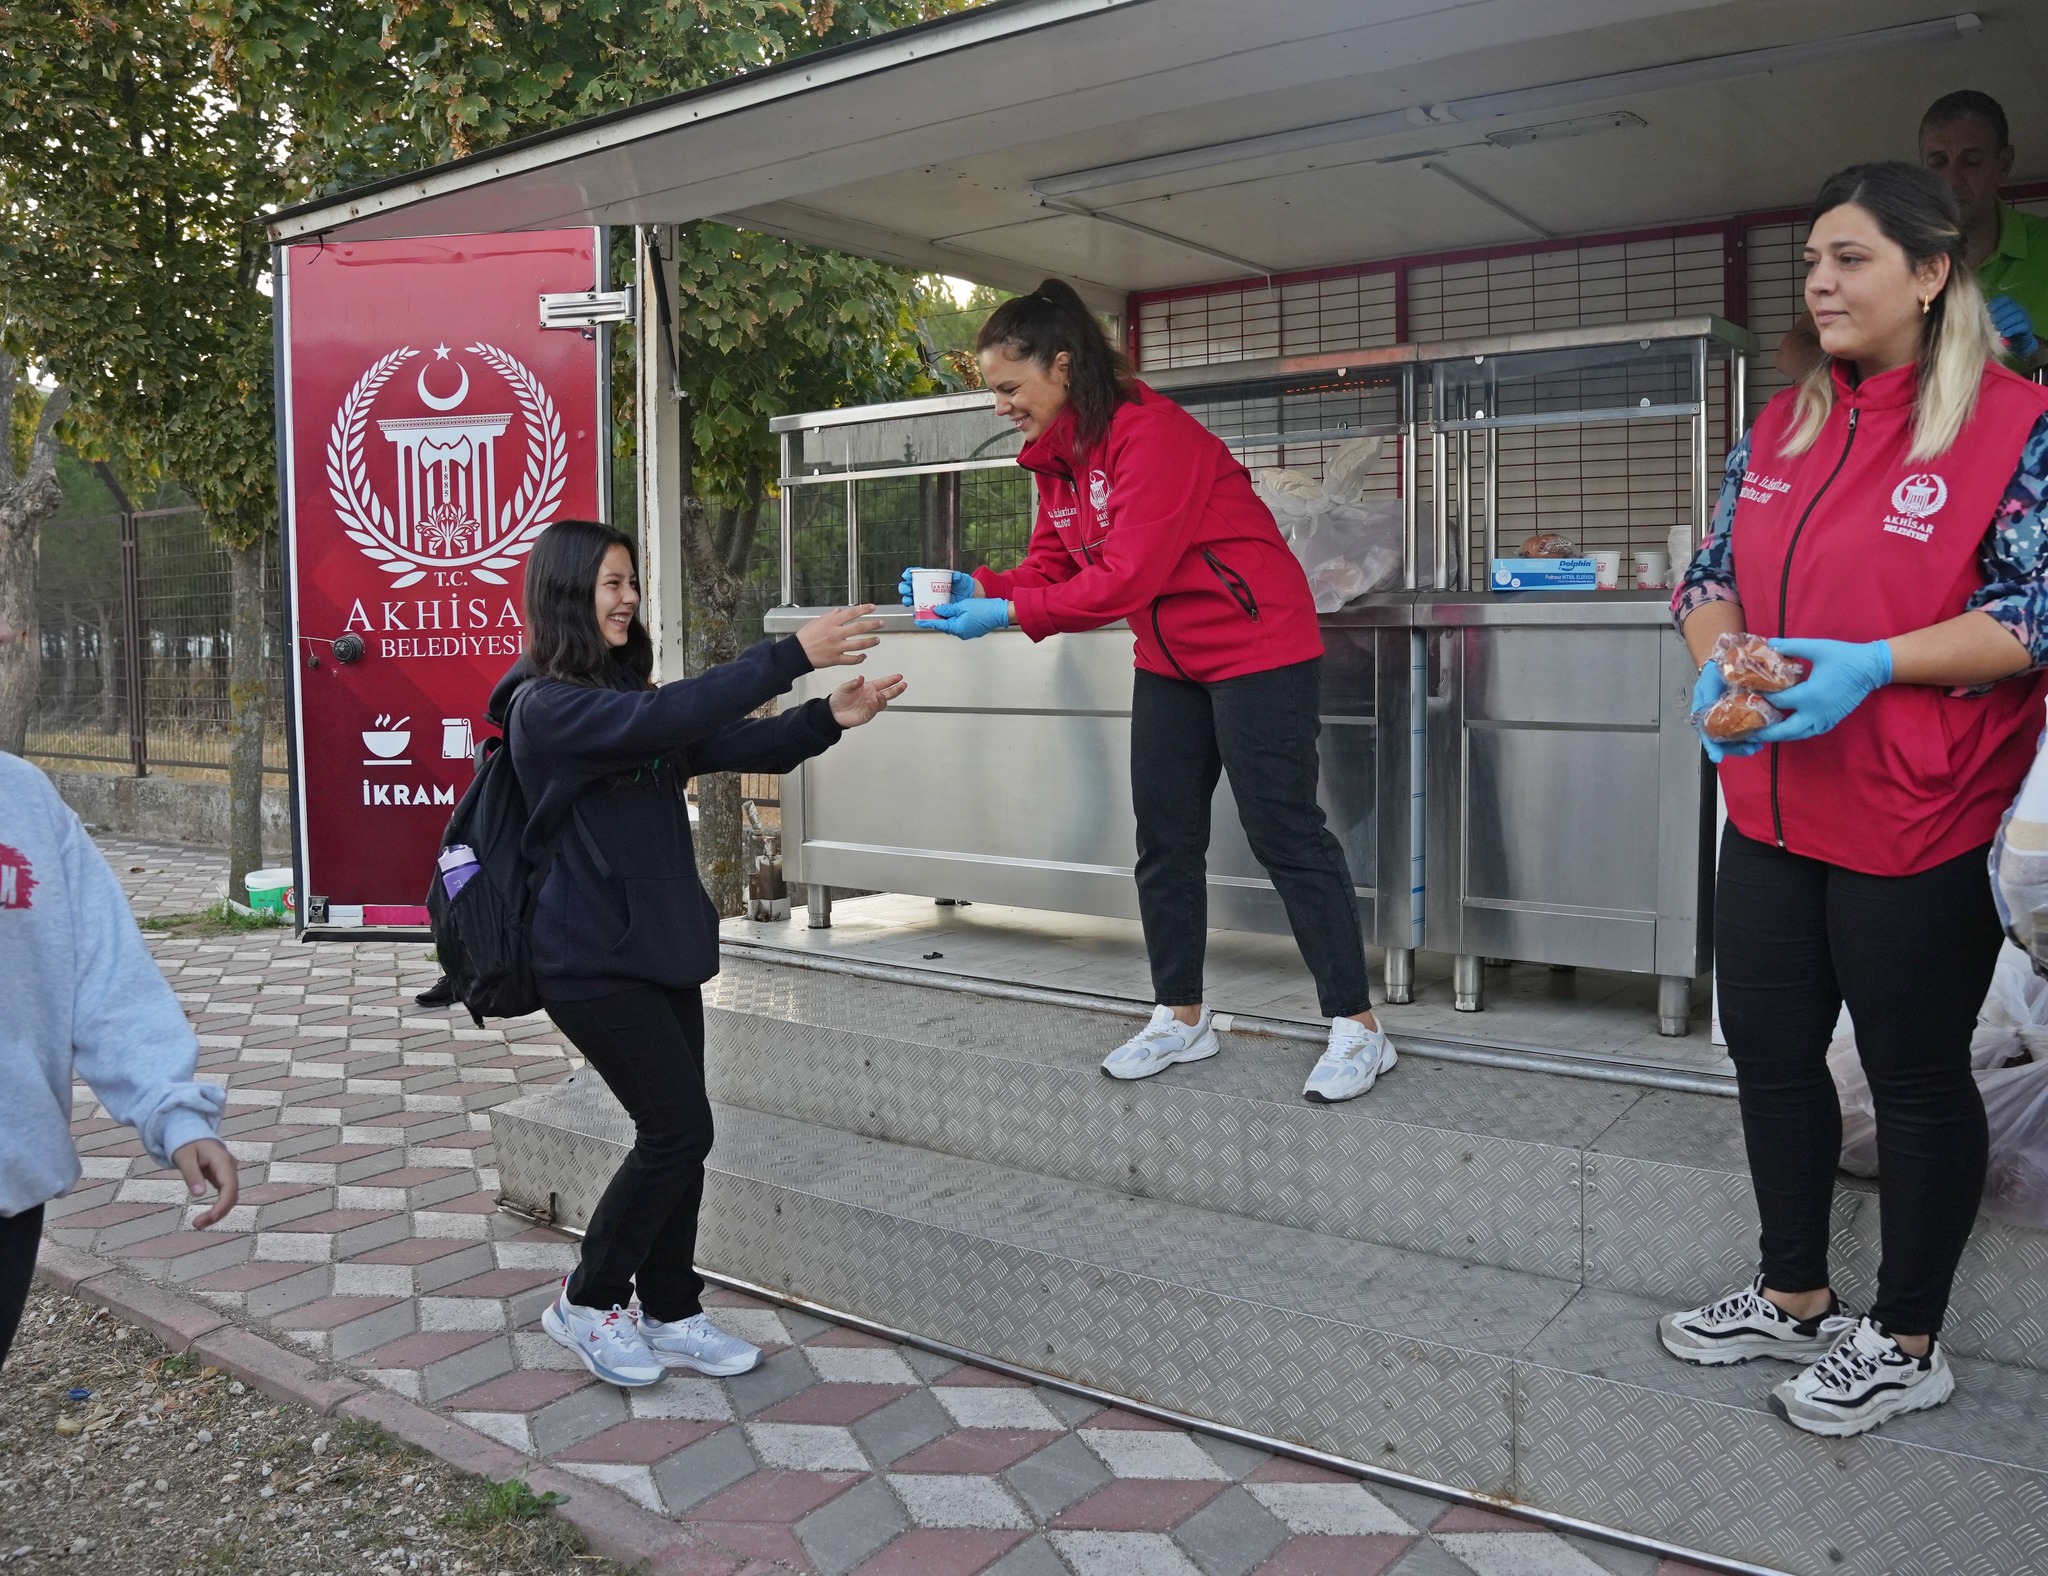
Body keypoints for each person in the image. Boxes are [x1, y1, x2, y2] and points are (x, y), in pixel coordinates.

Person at [1666, 162, 2048, 1436]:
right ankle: (1790, 1293)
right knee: (1773, 1053)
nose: (1818, 282)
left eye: (1849, 259)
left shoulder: (2015, 426)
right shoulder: (1780, 425)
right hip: (1770, 800)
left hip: (1917, 812)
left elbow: (2032, 611)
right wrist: (1724, 661)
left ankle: (1904, 1336)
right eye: (1811, 261)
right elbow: (1706, 572)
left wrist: (1875, 664)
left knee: (1912, 1068)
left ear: (1930, 272)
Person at [901, 280, 1397, 1104]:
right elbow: (1057, 568)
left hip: (1257, 646)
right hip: (1170, 660)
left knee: (1286, 833)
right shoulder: (1058, 459)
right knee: (1165, 839)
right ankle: (1182, 1015)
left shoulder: (1149, 435)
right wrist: (976, 585)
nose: (1000, 405)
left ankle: (1357, 1028)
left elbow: (1122, 577)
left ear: (1062, 367)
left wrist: (1006, 611)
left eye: (1008, 387)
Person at [493, 519, 903, 1387]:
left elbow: (714, 743)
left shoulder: (624, 699)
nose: (629, 597)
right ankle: (588, 1298)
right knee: (679, 1130)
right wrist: (791, 655)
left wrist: (826, 716)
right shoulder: (549, 708)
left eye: (631, 581)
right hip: (586, 959)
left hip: (656, 944)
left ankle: (672, 1308)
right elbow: (676, 715)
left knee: (677, 1131)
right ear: (567, 592)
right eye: (611, 583)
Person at [0, 747, 239, 1368]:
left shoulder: (22, 796)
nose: (6, 641)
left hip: (8, 1182)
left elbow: (104, 974)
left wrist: (172, 1108)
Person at [1779, 91, 2048, 379]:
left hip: (2019, 419)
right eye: (1937, 162)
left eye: (1970, 161)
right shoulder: (1892, 247)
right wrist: (1862, 382)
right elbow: (1792, 351)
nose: (1951, 180)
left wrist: (2035, 350)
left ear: (2003, 164)